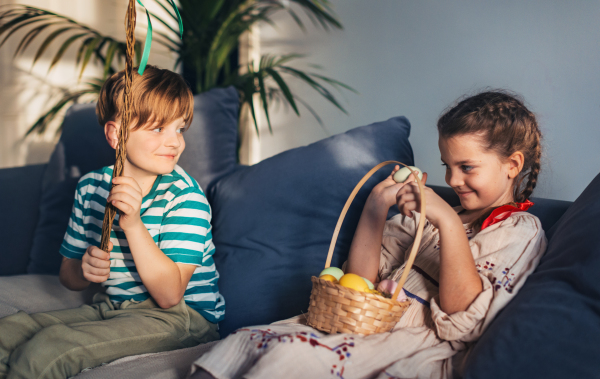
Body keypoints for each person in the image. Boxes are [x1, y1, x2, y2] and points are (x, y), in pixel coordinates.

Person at [190, 90, 547, 379]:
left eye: (466, 167)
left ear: (512, 165)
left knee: (291, 358)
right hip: (359, 320)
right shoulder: (429, 213)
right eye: (447, 166)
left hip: (412, 339)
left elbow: (464, 317)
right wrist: (377, 204)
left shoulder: (519, 229)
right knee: (247, 340)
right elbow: (360, 280)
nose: (453, 181)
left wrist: (447, 223)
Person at [0, 65, 224, 379]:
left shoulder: (185, 198)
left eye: (180, 128)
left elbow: (170, 294)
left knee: (49, 349)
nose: (175, 142)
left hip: (181, 318)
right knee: (8, 333)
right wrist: (84, 270)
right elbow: (69, 275)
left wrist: (132, 224)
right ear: (116, 134)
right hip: (114, 306)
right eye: (159, 128)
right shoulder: (91, 188)